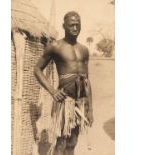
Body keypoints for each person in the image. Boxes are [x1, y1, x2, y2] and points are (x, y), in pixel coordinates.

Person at [34, 11, 93, 155]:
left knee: (73, 142)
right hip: (64, 103)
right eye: (71, 25)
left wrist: (90, 109)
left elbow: (87, 80)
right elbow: (37, 69)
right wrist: (53, 91)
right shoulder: (56, 46)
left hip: (80, 102)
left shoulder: (84, 50)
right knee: (61, 142)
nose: (75, 28)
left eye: (77, 25)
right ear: (63, 26)